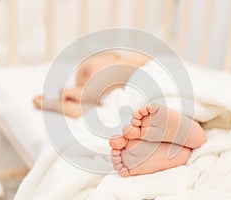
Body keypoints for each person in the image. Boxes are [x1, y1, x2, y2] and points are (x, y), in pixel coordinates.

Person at [33, 51, 206, 176]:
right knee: (131, 123)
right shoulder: (113, 99)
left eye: (86, 73)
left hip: (167, 95)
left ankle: (189, 130)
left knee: (161, 109)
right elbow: (89, 113)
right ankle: (176, 151)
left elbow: (133, 64)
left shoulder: (135, 64)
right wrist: (53, 104)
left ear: (116, 57)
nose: (84, 82)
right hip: (145, 113)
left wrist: (87, 90)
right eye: (81, 82)